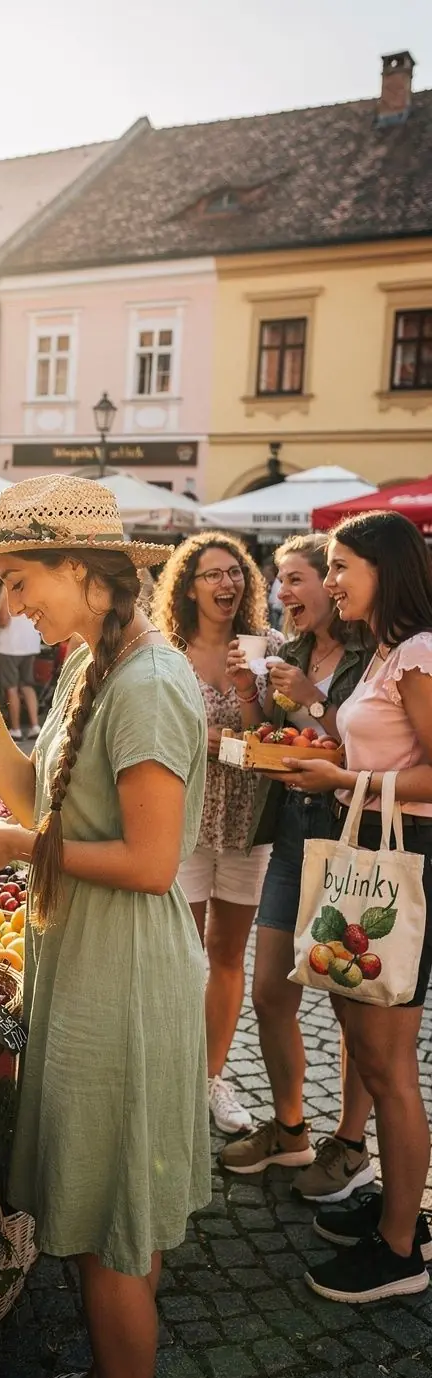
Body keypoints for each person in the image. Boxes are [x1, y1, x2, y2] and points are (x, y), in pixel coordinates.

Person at [0, 474, 210, 1378]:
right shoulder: (94, 664)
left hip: (124, 980)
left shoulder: (150, 682)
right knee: (112, 1215)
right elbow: (34, 805)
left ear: (85, 573)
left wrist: (24, 853)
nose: (5, 606)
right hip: (92, 964)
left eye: (18, 582)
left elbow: (151, 861)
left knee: (110, 1242)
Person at [280, 511, 432, 1302]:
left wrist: (341, 783)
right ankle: (396, 1210)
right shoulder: (384, 652)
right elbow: (380, 752)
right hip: (365, 851)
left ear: (387, 569)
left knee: (389, 1061)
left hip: (401, 858)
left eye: (342, 567)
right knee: (362, 1038)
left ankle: (401, 1250)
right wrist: (322, 755)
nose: (330, 580)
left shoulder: (417, 654)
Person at [218, 534, 374, 1200]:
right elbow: (274, 744)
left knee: (350, 1003)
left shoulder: (374, 654)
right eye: (281, 581)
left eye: (301, 578)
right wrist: (250, 696)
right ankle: (289, 1130)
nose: (286, 593)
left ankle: (350, 1143)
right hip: (291, 832)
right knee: (271, 994)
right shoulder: (291, 652)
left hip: (349, 835)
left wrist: (310, 697)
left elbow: (364, 742)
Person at [153, 532, 282, 1135]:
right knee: (179, 954)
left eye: (235, 573)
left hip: (248, 823)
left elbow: (269, 745)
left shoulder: (266, 649)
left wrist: (245, 692)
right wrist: (220, 745)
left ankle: (210, 1077)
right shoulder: (165, 655)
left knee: (227, 954)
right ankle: (171, 1073)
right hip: (183, 817)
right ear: (188, 586)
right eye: (212, 575)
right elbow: (163, 738)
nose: (227, 583)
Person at [0, 587, 41, 741]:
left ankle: (16, 729)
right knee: (27, 685)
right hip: (31, 642)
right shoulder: (32, 583)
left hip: (10, 645)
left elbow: (3, 618)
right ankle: (35, 726)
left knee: (11, 688)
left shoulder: (7, 586)